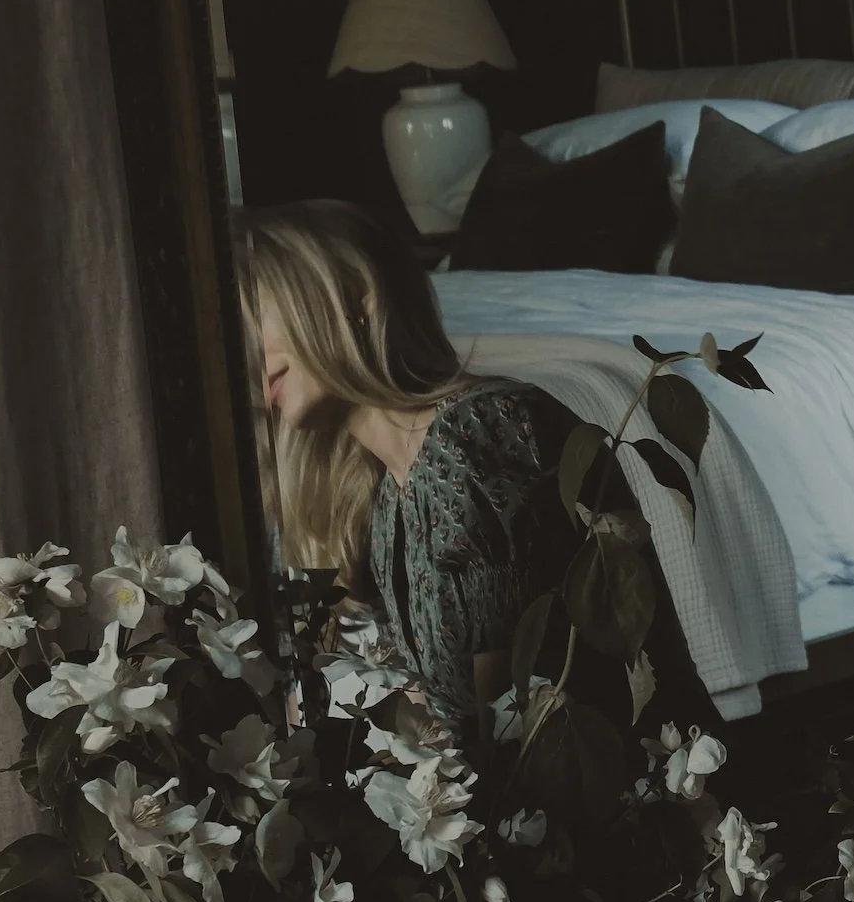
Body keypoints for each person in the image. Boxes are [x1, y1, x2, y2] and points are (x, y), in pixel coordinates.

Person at [234, 198, 699, 751]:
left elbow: (496, 734)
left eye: (258, 314)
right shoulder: (387, 497)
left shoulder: (480, 434)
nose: (248, 351)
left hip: (617, 788)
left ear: (356, 297)